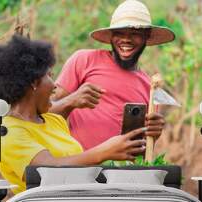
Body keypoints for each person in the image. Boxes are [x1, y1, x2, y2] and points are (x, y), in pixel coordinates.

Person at [0, 35, 146, 194]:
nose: (55, 86)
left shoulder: (53, 120)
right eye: (49, 76)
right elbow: (49, 170)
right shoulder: (8, 132)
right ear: (34, 83)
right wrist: (103, 152)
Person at [50, 0, 175, 150]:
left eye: (135, 34)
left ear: (146, 37)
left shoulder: (151, 88)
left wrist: (153, 135)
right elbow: (42, 114)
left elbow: (142, 150)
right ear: (110, 36)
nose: (126, 39)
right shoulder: (84, 60)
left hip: (121, 172)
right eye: (119, 33)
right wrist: (72, 101)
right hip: (78, 167)